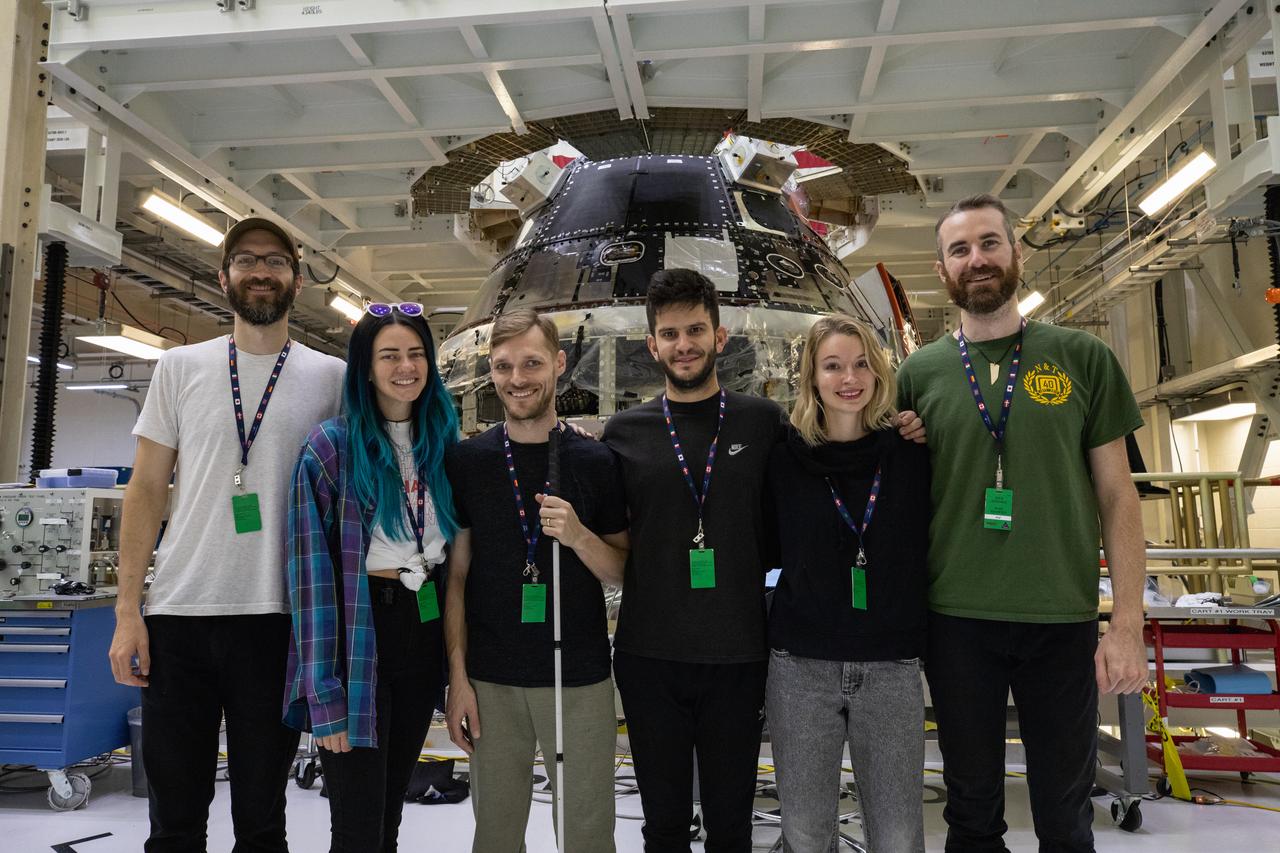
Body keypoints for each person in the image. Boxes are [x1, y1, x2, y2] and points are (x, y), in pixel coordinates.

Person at [602, 269, 924, 853]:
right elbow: (618, 541)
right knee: (664, 825)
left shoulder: (766, 424)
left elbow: (834, 467)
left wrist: (902, 424)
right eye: (669, 334)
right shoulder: (623, 433)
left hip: (741, 651)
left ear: (720, 337)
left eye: (696, 329)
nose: (684, 344)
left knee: (733, 825)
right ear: (651, 344)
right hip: (650, 655)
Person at [897, 194, 1148, 852]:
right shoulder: (916, 375)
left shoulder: (1082, 358)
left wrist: (1126, 623)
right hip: (956, 622)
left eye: (989, 243)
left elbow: (1119, 496)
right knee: (972, 813)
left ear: (1015, 253)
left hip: (1059, 620)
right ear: (942, 268)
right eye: (960, 249)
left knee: (1066, 816)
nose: (976, 259)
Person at [108, 217, 346, 852]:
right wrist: (129, 610)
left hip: (277, 622)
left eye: (275, 261)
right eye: (246, 261)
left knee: (263, 822)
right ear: (224, 277)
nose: (260, 271)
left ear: (297, 280)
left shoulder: (332, 379)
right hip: (179, 618)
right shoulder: (181, 366)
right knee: (174, 819)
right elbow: (146, 490)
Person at [443, 308, 629, 853]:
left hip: (578, 679)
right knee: (496, 835)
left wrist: (577, 537)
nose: (517, 378)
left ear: (559, 364)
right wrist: (458, 680)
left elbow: (621, 569)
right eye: (503, 366)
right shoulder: (468, 461)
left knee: (587, 836)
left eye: (531, 363)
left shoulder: (595, 461)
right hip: (491, 682)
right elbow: (456, 578)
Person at [284, 302, 458, 852]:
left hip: (422, 628)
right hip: (363, 633)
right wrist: (324, 695)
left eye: (416, 354)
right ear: (364, 367)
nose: (406, 367)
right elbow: (311, 584)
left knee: (388, 820)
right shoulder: (330, 448)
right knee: (357, 828)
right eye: (390, 356)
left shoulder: (444, 445)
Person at [766, 314, 930, 853]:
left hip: (890, 665)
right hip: (801, 667)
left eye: (861, 364)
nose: (849, 378)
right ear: (812, 376)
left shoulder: (910, 451)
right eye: (832, 366)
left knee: (898, 834)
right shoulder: (782, 456)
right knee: (807, 833)